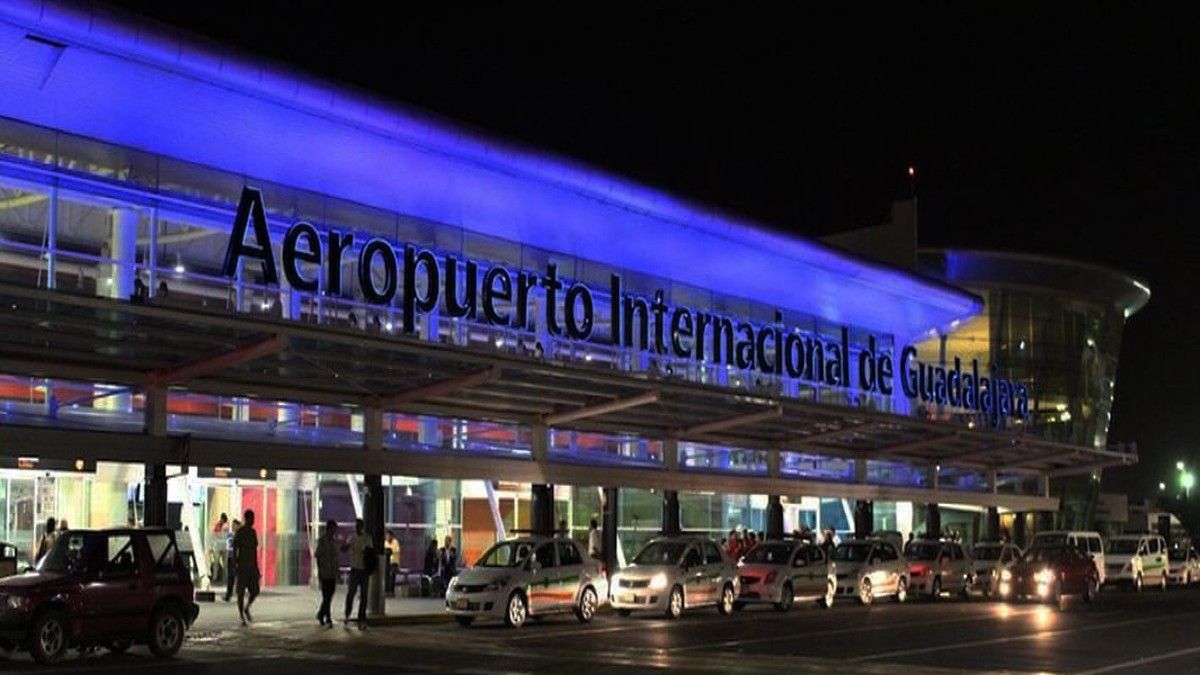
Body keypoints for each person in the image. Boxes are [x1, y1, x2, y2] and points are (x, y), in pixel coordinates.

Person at [232, 510, 260, 625]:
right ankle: (241, 615)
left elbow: (254, 551)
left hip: (251, 566)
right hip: (242, 566)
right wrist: (235, 563)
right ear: (247, 518)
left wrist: (256, 567)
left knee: (255, 591)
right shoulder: (240, 532)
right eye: (252, 518)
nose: (253, 520)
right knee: (241, 592)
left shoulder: (253, 532)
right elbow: (235, 548)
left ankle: (246, 608)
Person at [342, 518, 369, 627]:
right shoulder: (352, 538)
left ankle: (361, 618)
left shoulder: (366, 538)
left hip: (363, 570)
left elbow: (370, 552)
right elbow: (344, 548)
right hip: (355, 569)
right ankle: (347, 615)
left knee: (363, 596)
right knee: (351, 594)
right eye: (356, 526)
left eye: (359, 526)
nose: (357, 528)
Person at [314, 520, 339, 626]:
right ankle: (326, 616)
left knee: (329, 595)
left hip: (332, 572)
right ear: (329, 529)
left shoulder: (333, 541)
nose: (334, 531)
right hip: (325, 572)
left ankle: (322, 613)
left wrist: (337, 571)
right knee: (326, 596)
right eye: (333, 529)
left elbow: (336, 558)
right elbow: (318, 556)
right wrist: (319, 571)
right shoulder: (322, 541)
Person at [224, 519, 240, 602]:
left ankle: (233, 593)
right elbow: (228, 546)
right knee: (231, 576)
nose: (233, 527)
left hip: (236, 558)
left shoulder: (239, 535)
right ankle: (229, 594)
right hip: (231, 557)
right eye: (232, 525)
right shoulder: (230, 534)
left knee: (235, 576)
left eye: (234, 525)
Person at [384, 530, 399, 595]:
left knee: (392, 576)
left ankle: (391, 591)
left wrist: (389, 550)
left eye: (388, 535)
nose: (387, 537)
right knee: (386, 576)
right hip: (387, 563)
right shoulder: (385, 542)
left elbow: (395, 550)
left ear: (391, 536)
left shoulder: (395, 542)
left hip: (394, 562)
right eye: (386, 535)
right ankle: (387, 590)